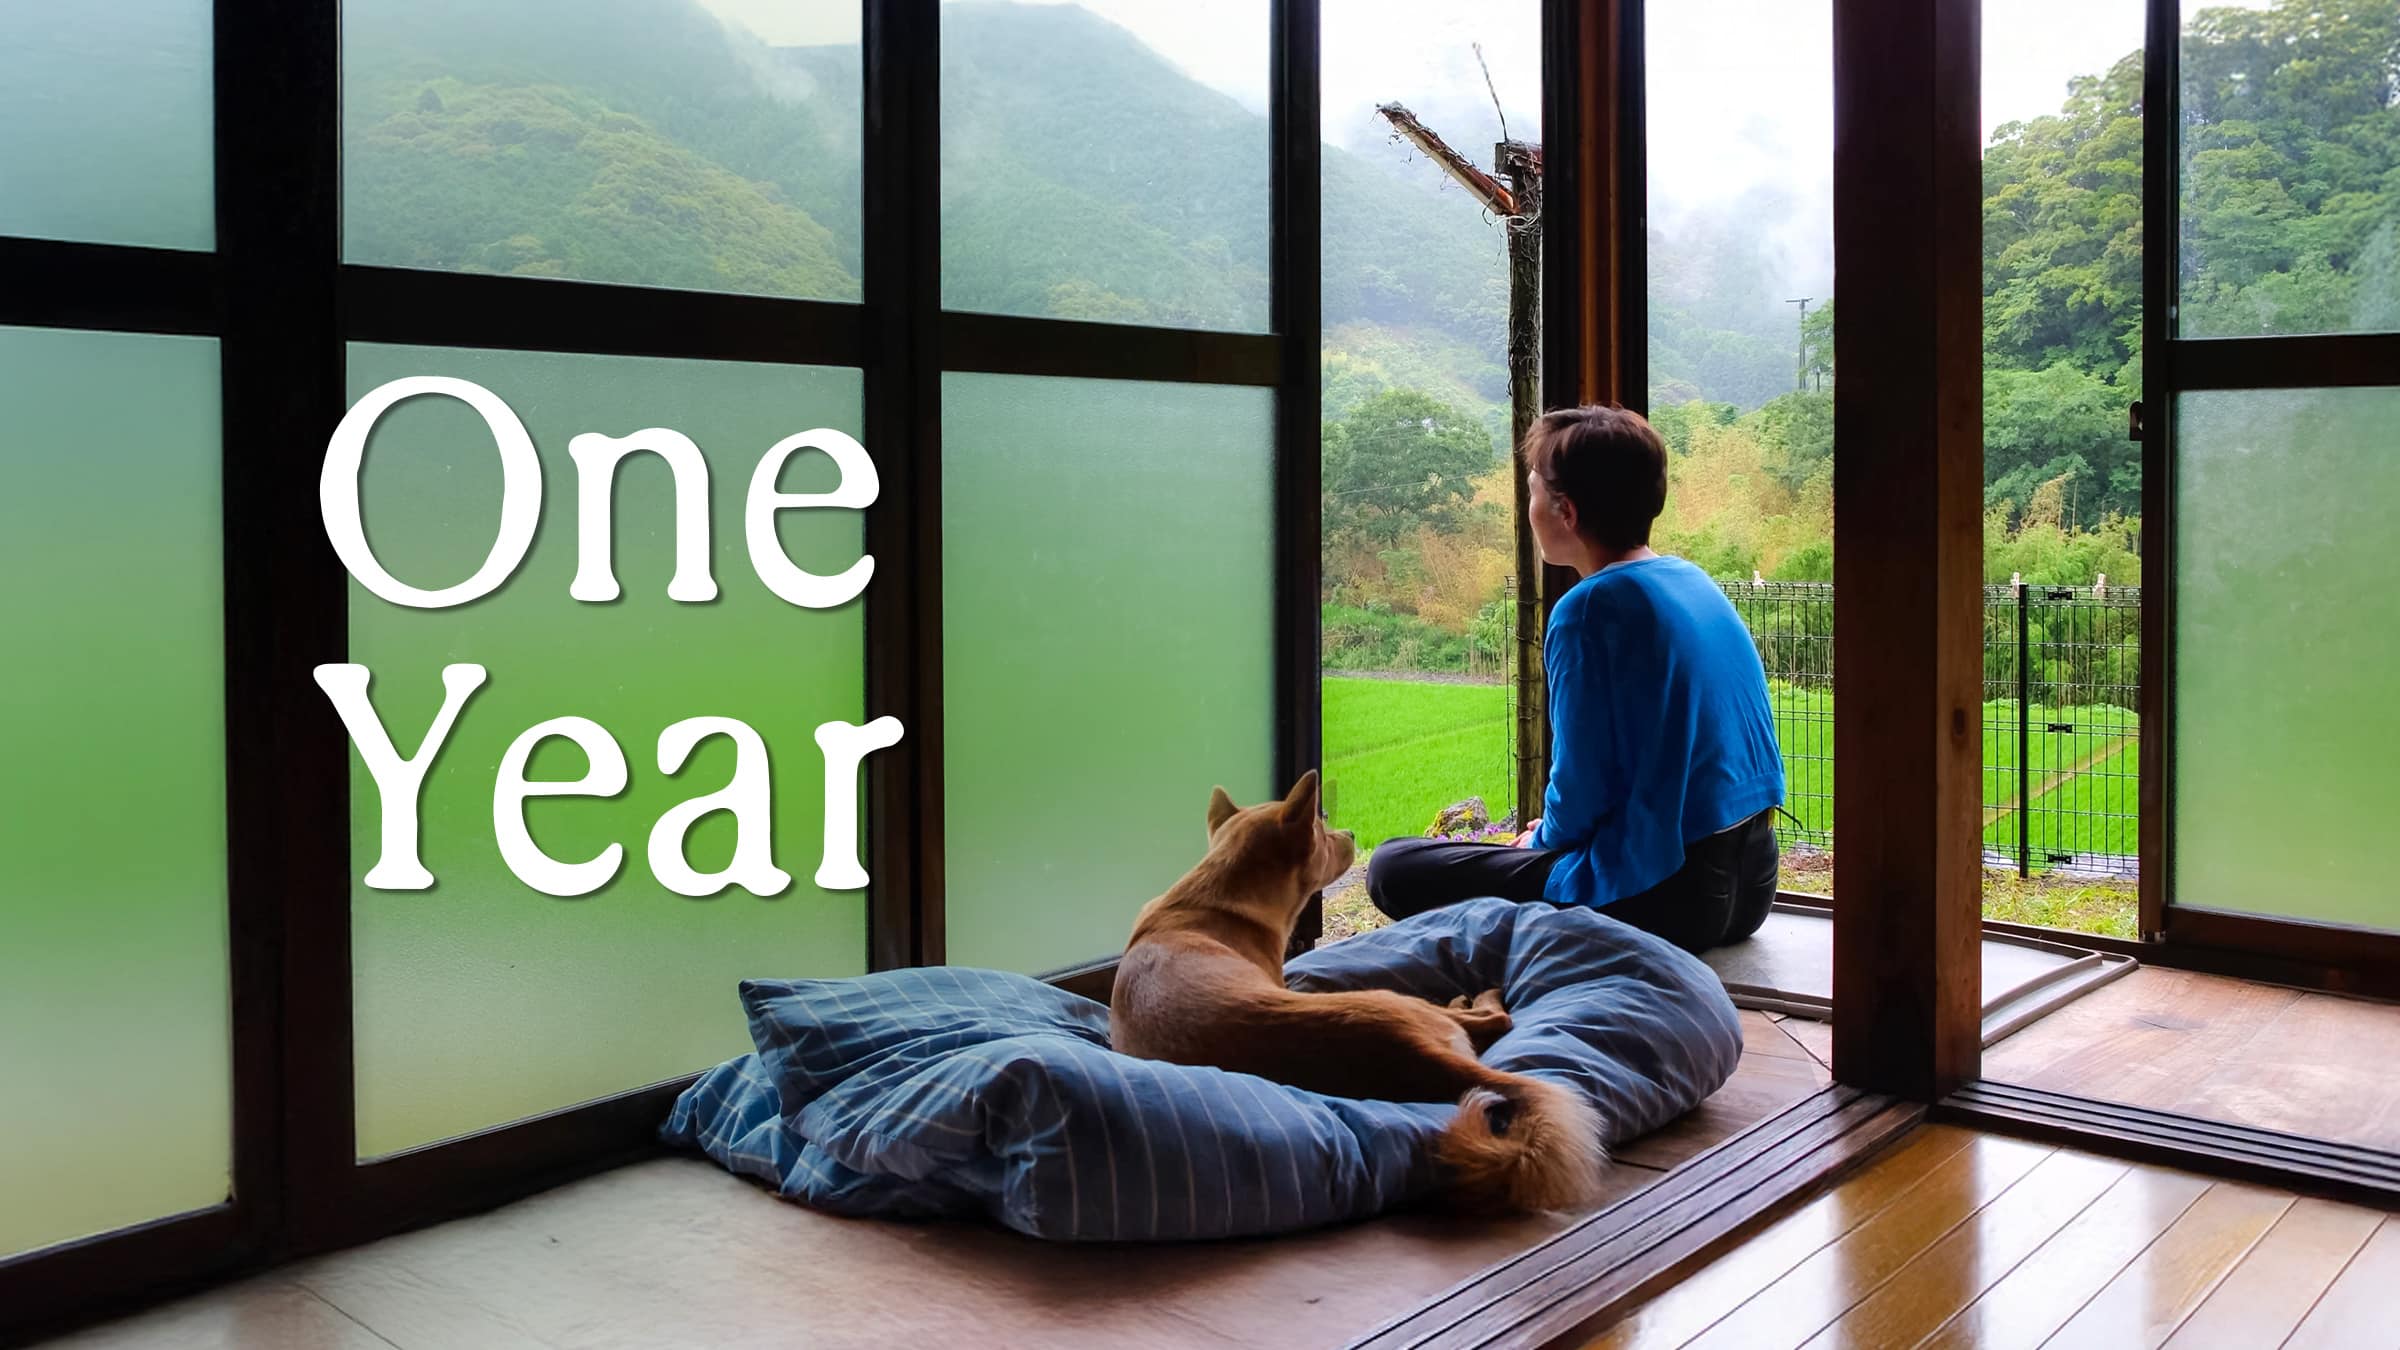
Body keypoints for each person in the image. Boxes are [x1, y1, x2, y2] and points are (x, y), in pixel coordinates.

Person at [1364, 404, 1785, 954]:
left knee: (1393, 866)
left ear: (1565, 510)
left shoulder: (1589, 609)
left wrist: (1539, 839)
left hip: (1666, 897)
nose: (1528, 503)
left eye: (1533, 488)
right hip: (1752, 886)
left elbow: (1581, 786)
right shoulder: (1691, 580)